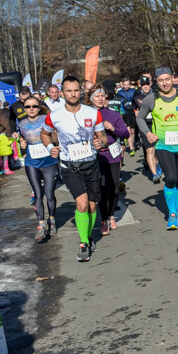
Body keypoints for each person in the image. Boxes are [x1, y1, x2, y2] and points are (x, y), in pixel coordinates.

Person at [41, 75, 108, 261]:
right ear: (62, 93)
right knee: (82, 203)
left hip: (91, 165)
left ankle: (88, 237)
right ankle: (84, 242)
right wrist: (50, 148)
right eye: (69, 91)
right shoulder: (54, 116)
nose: (73, 94)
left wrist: (100, 143)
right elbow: (44, 134)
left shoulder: (93, 113)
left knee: (92, 206)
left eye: (76, 90)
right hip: (69, 166)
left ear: (81, 91)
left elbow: (102, 136)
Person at [136, 68, 178, 230]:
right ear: (155, 81)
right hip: (163, 145)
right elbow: (140, 118)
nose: (165, 83)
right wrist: (147, 133)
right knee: (171, 178)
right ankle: (173, 213)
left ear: (173, 79)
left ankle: (176, 210)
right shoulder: (151, 99)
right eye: (161, 80)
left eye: (167, 79)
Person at [16, 96, 58, 241]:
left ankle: (51, 220)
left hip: (49, 161)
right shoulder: (21, 123)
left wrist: (54, 139)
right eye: (28, 107)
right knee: (37, 194)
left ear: (39, 107)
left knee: (50, 193)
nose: (31, 109)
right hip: (31, 162)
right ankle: (41, 225)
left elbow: (57, 138)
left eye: (34, 106)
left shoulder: (47, 118)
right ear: (24, 109)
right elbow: (22, 140)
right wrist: (22, 145)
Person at [90, 86, 129, 235]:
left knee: (113, 187)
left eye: (103, 96)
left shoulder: (113, 114)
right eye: (97, 96)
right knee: (102, 187)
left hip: (112, 154)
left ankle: (111, 215)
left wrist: (113, 128)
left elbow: (125, 133)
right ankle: (104, 219)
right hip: (95, 156)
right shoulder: (87, 114)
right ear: (91, 98)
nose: (100, 98)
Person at [132, 75, 159, 180]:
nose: (146, 87)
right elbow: (133, 111)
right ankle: (154, 174)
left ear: (150, 84)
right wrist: (136, 113)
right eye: (143, 85)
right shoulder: (137, 97)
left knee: (157, 149)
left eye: (147, 84)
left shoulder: (157, 95)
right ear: (140, 86)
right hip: (144, 126)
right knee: (150, 150)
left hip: (156, 124)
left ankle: (158, 165)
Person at [116, 77, 138, 156]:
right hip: (124, 114)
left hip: (133, 112)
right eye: (125, 85)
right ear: (122, 85)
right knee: (128, 131)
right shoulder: (119, 93)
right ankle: (131, 148)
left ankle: (134, 142)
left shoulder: (133, 91)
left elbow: (137, 100)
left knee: (132, 131)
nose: (127, 86)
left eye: (128, 84)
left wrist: (136, 109)